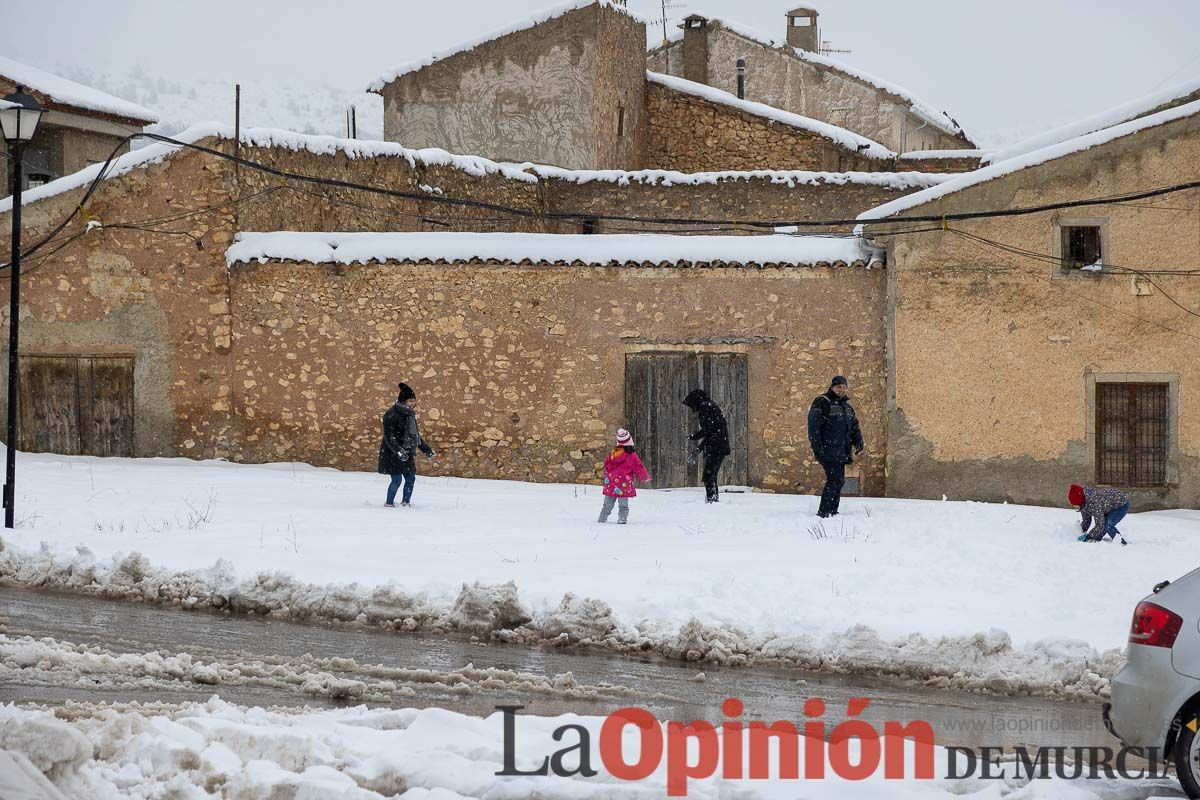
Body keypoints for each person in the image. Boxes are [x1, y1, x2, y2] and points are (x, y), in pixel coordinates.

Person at [808, 375, 864, 518]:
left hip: (842, 451)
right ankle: (824, 511)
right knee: (835, 480)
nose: (842, 390)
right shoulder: (822, 402)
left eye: (844, 387)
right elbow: (814, 426)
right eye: (839, 387)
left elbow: (854, 427)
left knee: (839, 481)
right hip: (828, 449)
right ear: (832, 387)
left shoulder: (847, 408)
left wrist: (858, 442)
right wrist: (817, 448)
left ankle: (832, 510)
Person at [377, 382, 434, 507]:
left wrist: (426, 450)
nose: (413, 404)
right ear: (403, 401)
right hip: (392, 453)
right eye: (410, 401)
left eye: (414, 401)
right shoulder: (391, 414)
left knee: (410, 479)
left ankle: (406, 502)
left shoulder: (410, 415)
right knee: (396, 480)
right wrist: (399, 451)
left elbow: (415, 437)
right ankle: (389, 503)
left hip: (407, 453)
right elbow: (389, 436)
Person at [683, 388, 731, 503]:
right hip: (719, 445)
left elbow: (708, 429)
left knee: (709, 476)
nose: (692, 409)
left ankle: (712, 500)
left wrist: (695, 436)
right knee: (711, 475)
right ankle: (712, 499)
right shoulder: (710, 405)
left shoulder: (705, 407)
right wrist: (699, 448)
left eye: (691, 406)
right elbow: (713, 430)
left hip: (716, 447)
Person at [598, 428, 652, 524]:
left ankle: (602, 518)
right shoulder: (631, 455)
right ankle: (622, 518)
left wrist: (609, 473)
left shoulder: (613, 453)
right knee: (623, 504)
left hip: (611, 481)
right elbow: (638, 466)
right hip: (623, 483)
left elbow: (607, 464)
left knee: (608, 502)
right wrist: (644, 477)